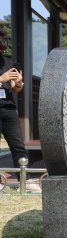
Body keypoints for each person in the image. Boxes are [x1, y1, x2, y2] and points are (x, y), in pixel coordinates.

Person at [0, 29, 29, 174]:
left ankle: (24, 180)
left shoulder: (8, 62)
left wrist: (19, 83)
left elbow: (15, 89)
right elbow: (3, 81)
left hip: (8, 108)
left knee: (18, 145)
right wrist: (0, 79)